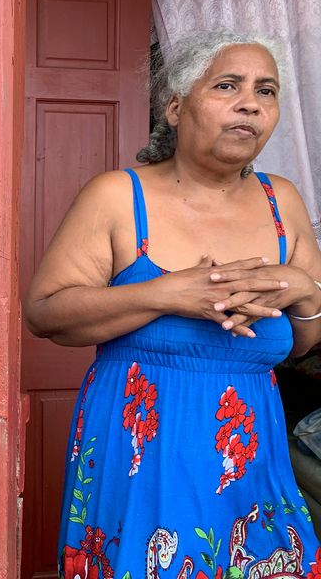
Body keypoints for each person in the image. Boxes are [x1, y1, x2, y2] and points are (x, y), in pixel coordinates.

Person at [24, 31, 321, 578]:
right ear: (177, 107)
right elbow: (45, 313)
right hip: (143, 459)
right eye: (227, 85)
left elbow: (304, 340)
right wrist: (169, 293)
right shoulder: (118, 196)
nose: (250, 103)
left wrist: (304, 290)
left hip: (253, 463)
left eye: (267, 91)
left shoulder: (285, 204)